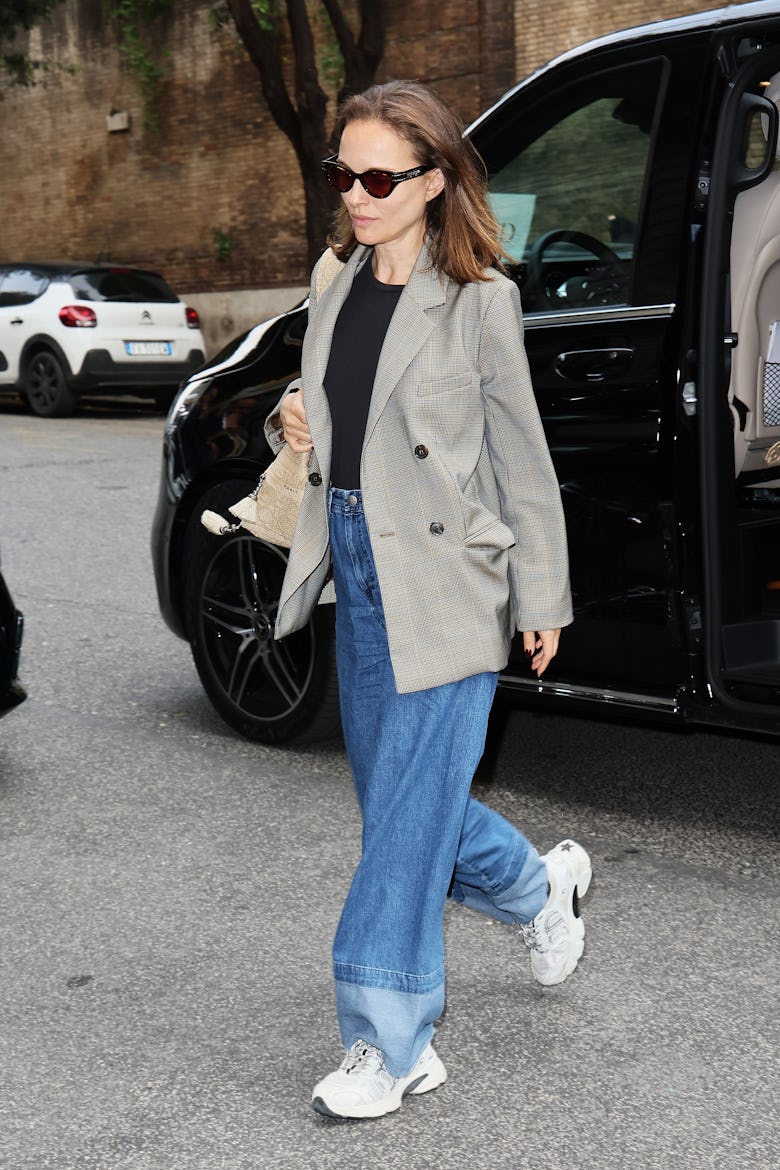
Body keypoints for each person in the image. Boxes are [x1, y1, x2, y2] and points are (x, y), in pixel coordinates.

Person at [266, 79, 592, 1121]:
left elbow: (522, 462)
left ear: (434, 180)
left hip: (448, 579)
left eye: (377, 177)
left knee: (404, 818)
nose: (355, 196)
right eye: (342, 174)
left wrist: (541, 595)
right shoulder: (334, 279)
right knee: (403, 807)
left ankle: (388, 1037)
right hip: (355, 565)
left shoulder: (481, 300)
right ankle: (541, 891)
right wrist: (295, 422)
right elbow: (320, 403)